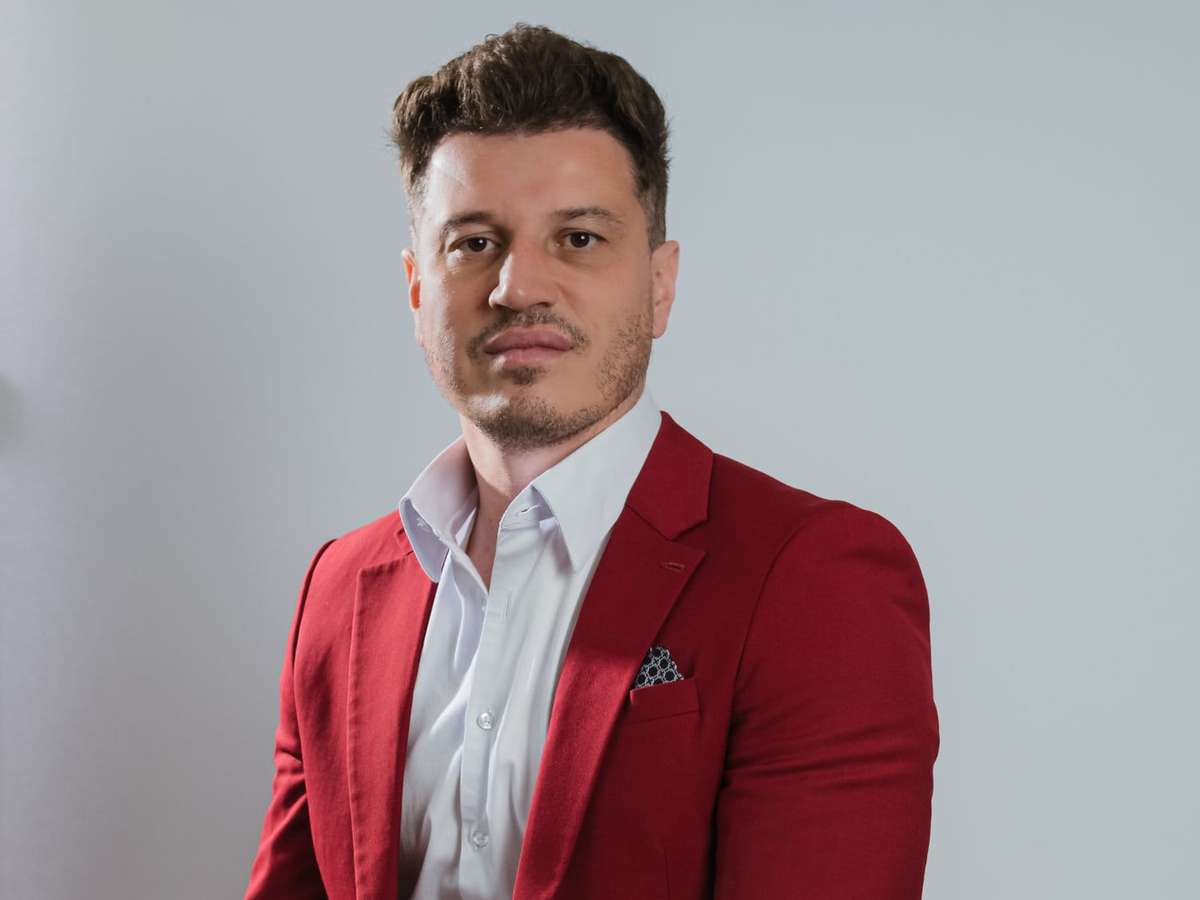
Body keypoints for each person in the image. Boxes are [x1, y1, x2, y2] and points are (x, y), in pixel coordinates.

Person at [244, 22, 939, 900]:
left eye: (577, 238)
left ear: (659, 285)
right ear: (418, 290)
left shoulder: (815, 578)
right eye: (473, 242)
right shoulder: (339, 591)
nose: (518, 287)